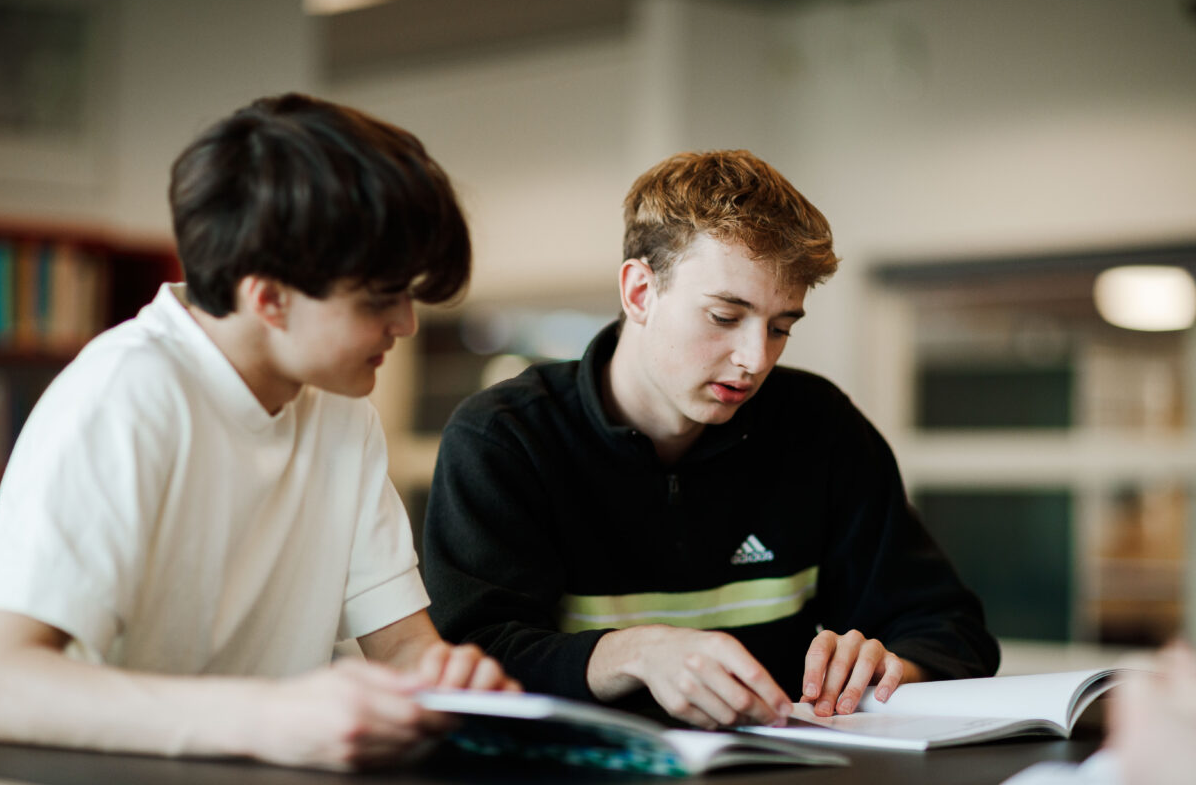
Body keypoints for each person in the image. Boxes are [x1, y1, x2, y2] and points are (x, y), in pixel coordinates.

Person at [0, 93, 517, 770]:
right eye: (378, 298)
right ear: (267, 297)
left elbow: (404, 648)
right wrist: (267, 715)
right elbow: (7, 682)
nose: (406, 324)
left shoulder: (339, 406)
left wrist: (449, 681)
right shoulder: (125, 394)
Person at [423, 149, 999, 730]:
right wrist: (635, 652)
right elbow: (469, 661)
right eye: (725, 317)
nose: (754, 360)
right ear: (640, 292)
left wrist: (895, 666)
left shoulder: (820, 427)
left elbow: (950, 630)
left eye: (780, 328)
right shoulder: (505, 437)